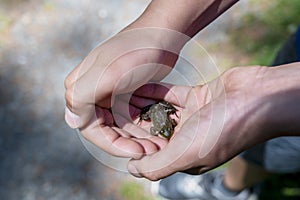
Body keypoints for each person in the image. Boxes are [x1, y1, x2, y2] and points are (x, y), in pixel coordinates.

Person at [64, 0, 300, 199]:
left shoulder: (165, 119)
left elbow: (165, 117)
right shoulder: (163, 115)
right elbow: (162, 113)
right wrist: (156, 29)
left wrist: (265, 103)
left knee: (277, 149)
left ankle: (228, 190)